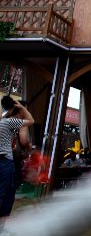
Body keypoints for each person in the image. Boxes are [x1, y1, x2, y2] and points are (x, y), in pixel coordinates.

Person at [0, 96, 34, 232]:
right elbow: (24, 139)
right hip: (8, 162)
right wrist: (28, 147)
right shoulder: (13, 122)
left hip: (6, 160)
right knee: (6, 196)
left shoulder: (4, 120)